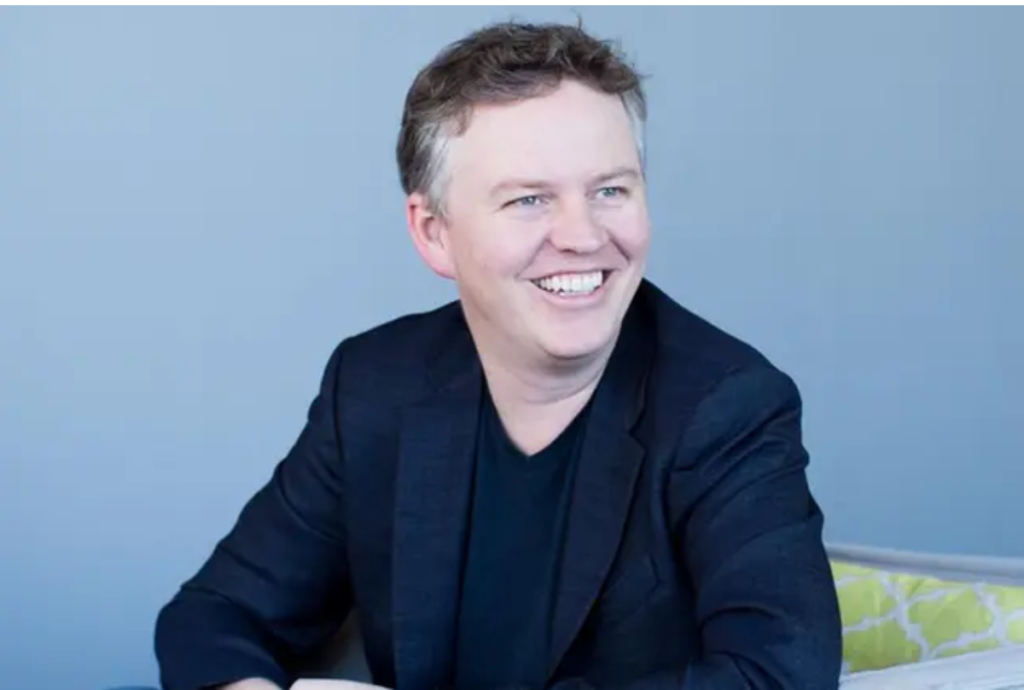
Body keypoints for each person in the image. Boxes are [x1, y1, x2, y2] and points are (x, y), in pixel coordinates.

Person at [154, 19, 843, 690]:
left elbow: (781, 673)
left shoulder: (727, 406)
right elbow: (216, 615)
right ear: (434, 233)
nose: (582, 236)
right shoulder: (375, 385)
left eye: (610, 190)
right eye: (529, 200)